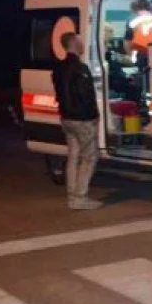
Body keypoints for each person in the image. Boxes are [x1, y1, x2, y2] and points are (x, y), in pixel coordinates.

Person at [52, 32, 104, 210]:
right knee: (89, 158)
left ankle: (72, 196)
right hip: (82, 119)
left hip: (66, 118)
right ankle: (80, 198)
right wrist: (94, 116)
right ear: (73, 43)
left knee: (73, 156)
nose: (83, 45)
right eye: (80, 41)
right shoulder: (80, 69)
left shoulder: (58, 68)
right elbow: (86, 96)